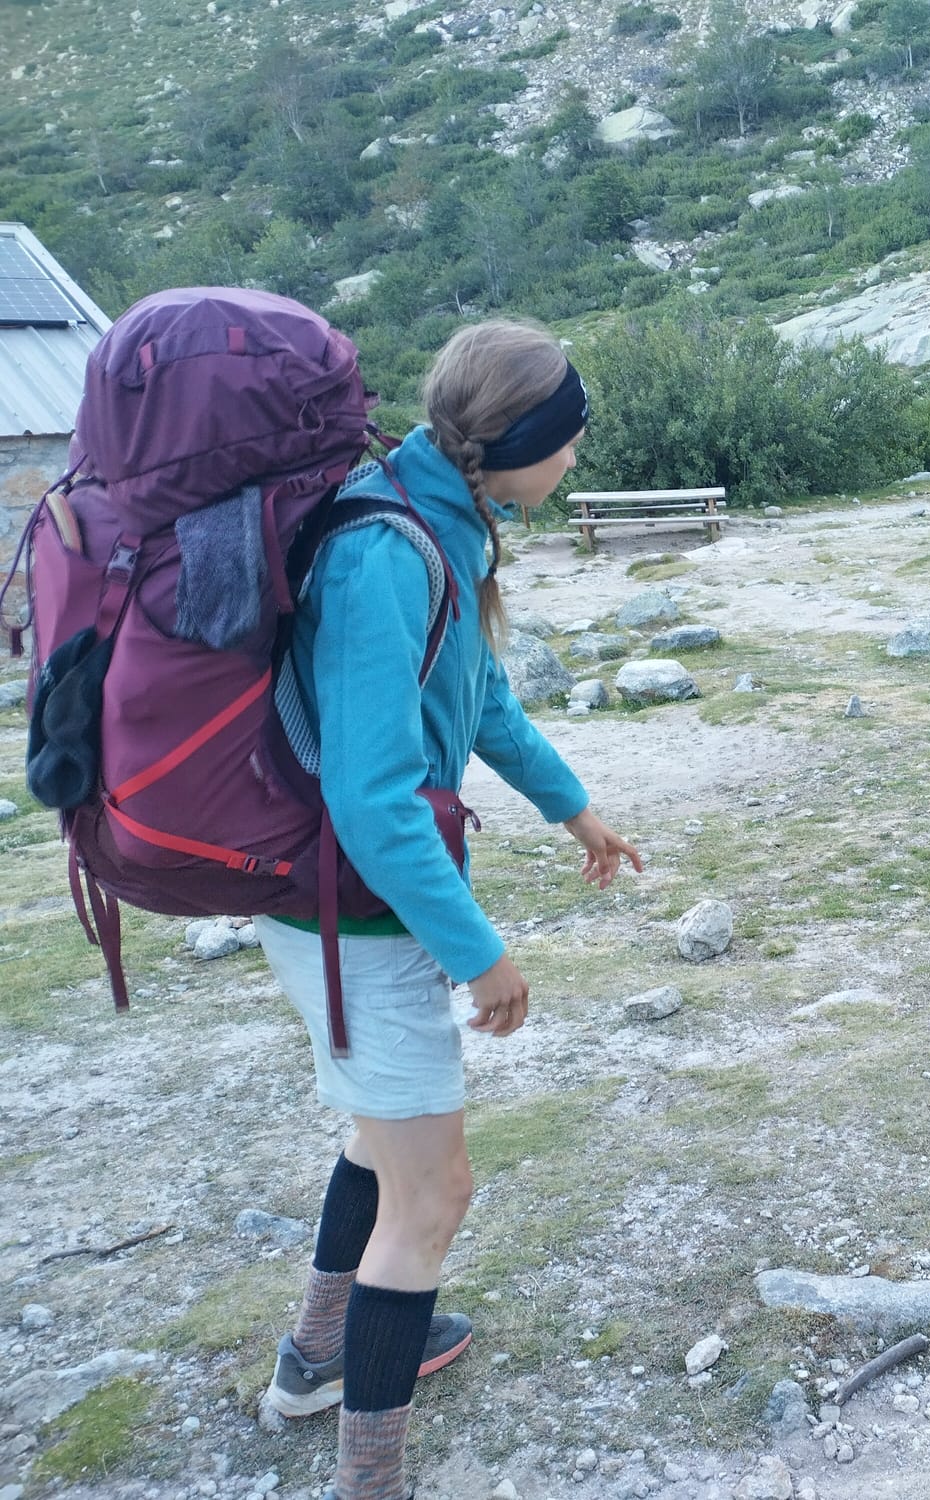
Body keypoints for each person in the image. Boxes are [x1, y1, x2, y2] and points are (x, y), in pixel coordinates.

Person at [252, 320, 642, 1500]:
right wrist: (480, 957)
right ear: (517, 441)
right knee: (437, 1191)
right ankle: (370, 1474)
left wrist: (575, 814)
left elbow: (478, 708)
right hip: (356, 914)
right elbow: (372, 801)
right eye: (566, 440)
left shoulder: (439, 519)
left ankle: (316, 1359)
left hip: (338, 909)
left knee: (379, 1138)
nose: (573, 460)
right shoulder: (393, 552)